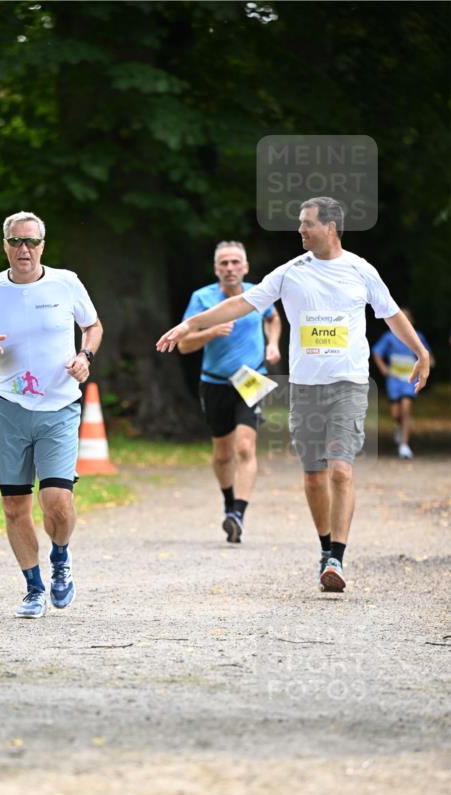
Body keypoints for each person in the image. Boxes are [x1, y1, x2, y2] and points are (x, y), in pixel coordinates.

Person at [157, 197, 430, 592]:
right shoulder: (290, 273)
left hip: (348, 384)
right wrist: (189, 326)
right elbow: (239, 304)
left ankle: (337, 554)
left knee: (340, 469)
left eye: (307, 223)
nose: (300, 230)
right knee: (315, 477)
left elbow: (391, 314)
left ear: (330, 226)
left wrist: (420, 352)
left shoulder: (361, 270)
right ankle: (324, 549)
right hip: (305, 388)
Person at [0, 210, 103, 618]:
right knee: (14, 507)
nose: (24, 249)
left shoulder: (66, 282)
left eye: (32, 242)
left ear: (43, 244)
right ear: (4, 244)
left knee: (56, 500)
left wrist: (84, 355)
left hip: (59, 404)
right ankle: (33, 588)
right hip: (11, 406)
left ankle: (60, 558)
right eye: (16, 241)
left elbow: (92, 326)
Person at [178, 241, 281, 542]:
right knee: (222, 454)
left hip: (252, 380)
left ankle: (238, 513)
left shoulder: (257, 294)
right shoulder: (202, 298)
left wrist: (272, 343)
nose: (230, 268)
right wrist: (211, 331)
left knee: (245, 447)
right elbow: (184, 344)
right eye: (224, 263)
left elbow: (273, 318)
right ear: (216, 269)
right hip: (215, 383)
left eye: (236, 262)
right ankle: (228, 503)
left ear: (245, 267)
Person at [372, 308, 434, 460]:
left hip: (410, 379)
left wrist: (428, 362)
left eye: (406, 318)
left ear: (411, 321)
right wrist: (383, 368)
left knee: (406, 408)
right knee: (396, 414)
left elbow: (427, 354)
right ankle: (399, 427)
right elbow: (377, 352)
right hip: (394, 379)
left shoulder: (418, 336)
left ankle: (404, 445)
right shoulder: (389, 337)